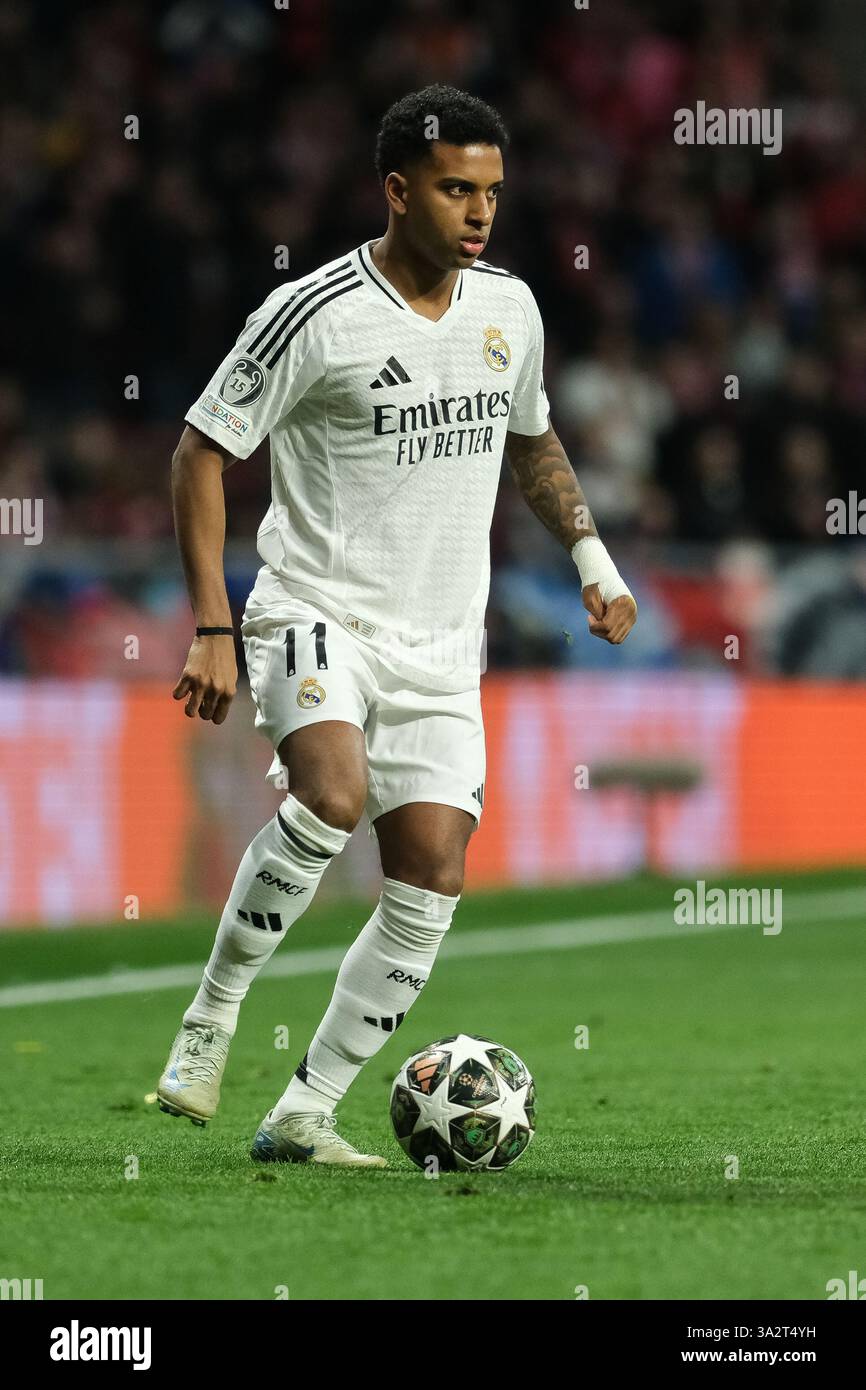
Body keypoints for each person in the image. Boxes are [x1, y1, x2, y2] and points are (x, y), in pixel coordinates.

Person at [157, 84, 637, 1166]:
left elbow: (532, 439)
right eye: (456, 189)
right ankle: (211, 1016)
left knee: (430, 878)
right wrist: (213, 627)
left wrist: (591, 558)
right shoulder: (314, 312)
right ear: (397, 189)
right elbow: (199, 451)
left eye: (492, 192)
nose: (480, 212)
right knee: (330, 797)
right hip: (317, 610)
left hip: (441, 647)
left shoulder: (510, 308)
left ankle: (304, 1110)